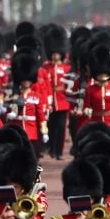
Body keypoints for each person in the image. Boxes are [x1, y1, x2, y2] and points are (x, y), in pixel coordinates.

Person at [5, 51, 48, 159]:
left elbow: (40, 116)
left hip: (31, 130)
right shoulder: (14, 95)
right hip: (17, 129)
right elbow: (7, 113)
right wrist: (9, 115)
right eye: (23, 80)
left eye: (28, 80)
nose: (25, 82)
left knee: (31, 156)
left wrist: (44, 131)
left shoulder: (36, 96)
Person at [39, 25, 71, 160]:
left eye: (57, 53)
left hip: (62, 100)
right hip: (50, 100)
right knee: (51, 126)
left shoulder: (66, 68)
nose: (55, 55)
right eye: (53, 53)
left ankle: (59, 151)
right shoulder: (46, 67)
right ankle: (51, 148)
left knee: (61, 127)